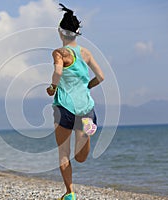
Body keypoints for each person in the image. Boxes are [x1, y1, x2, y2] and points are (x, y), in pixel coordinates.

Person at [46, 3, 104, 200]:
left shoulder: (59, 53)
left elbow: (58, 71)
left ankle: (70, 193)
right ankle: (86, 135)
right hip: (86, 108)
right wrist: (88, 86)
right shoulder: (86, 53)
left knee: (64, 152)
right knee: (81, 157)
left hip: (64, 107)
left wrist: (53, 87)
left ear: (60, 32)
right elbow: (101, 77)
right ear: (76, 34)